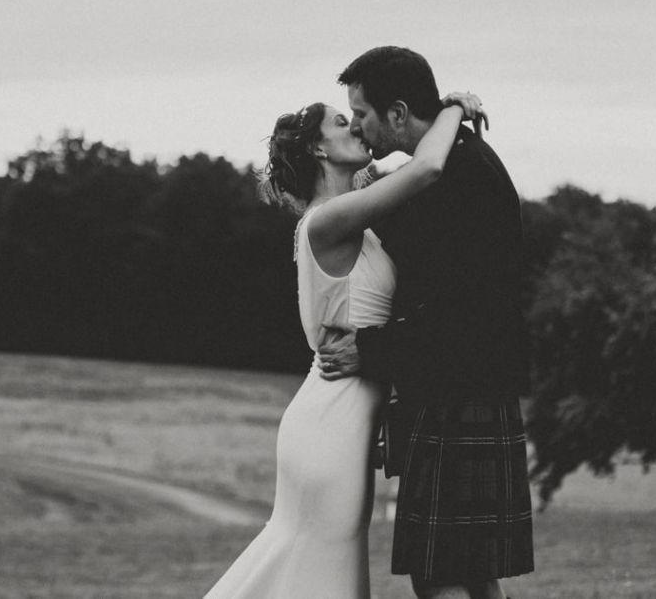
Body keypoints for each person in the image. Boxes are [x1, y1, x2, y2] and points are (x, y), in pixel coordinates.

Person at [203, 91, 484, 598]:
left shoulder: (347, 212)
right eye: (343, 121)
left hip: (339, 424)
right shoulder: (327, 220)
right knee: (321, 573)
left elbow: (406, 169)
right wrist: (454, 109)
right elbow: (424, 170)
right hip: (330, 427)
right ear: (318, 149)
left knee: (306, 568)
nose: (357, 125)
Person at [319, 46, 534, 599]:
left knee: (439, 577)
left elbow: (462, 314)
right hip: (459, 386)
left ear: (395, 113)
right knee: (468, 573)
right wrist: (455, 108)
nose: (360, 129)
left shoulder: (458, 177)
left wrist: (368, 350)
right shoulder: (449, 165)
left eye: (362, 114)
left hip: (461, 391)